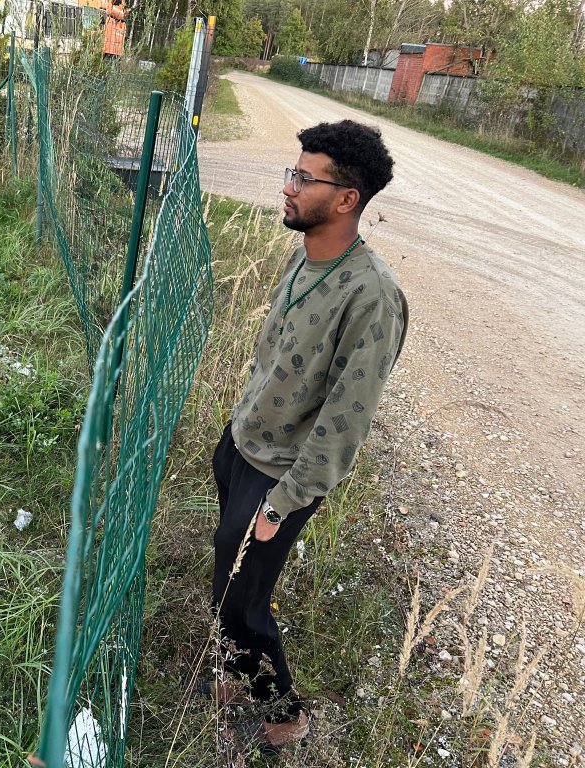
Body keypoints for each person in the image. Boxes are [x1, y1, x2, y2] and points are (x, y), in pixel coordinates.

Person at [211, 120, 408, 751]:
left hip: (283, 476)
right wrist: (235, 431)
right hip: (242, 445)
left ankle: (283, 714)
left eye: (304, 178)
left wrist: (285, 500)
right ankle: (237, 672)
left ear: (346, 199)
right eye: (291, 173)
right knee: (227, 570)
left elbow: (345, 421)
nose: (289, 187)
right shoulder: (304, 256)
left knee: (246, 601)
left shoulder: (372, 295)